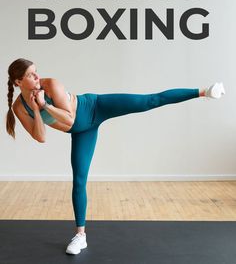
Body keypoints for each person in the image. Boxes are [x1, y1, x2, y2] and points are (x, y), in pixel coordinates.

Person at [6, 58, 225, 255]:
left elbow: (70, 119)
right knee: (79, 180)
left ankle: (204, 91)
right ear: (18, 82)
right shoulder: (20, 107)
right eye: (31, 75)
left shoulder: (51, 85)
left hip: (95, 106)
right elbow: (41, 137)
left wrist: (44, 105)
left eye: (36, 71)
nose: (37, 76)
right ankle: (80, 236)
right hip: (82, 132)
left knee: (149, 101)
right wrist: (36, 110)